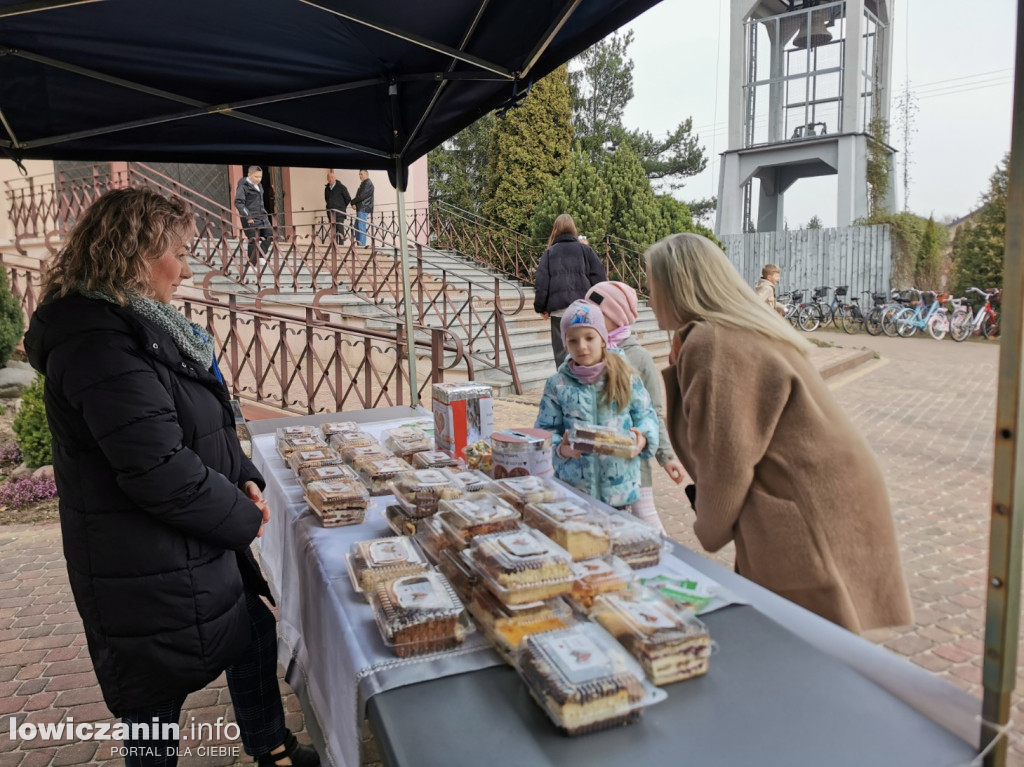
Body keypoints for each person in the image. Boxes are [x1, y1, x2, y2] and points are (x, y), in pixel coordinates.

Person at [23, 188, 320, 767]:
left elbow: (201, 422)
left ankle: (272, 746)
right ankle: (267, 747)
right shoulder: (97, 341)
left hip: (184, 547)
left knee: (254, 632)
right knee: (153, 710)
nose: (185, 269)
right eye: (178, 253)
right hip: (144, 565)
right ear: (135, 252)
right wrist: (244, 516)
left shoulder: (139, 322)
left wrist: (245, 475)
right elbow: (158, 467)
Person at [646, 232, 913, 633]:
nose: (648, 299)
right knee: (822, 647)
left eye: (651, 286)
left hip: (803, 509)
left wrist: (709, 525)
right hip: (828, 498)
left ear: (676, 285)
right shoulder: (737, 328)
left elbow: (726, 460)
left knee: (802, 649)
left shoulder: (715, 341)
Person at [535, 300, 659, 510]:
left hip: (619, 495)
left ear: (602, 339)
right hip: (574, 494)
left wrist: (643, 437)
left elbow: (646, 415)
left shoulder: (625, 376)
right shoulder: (557, 385)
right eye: (573, 340)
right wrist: (562, 449)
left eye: (589, 337)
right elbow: (544, 431)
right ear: (565, 344)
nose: (581, 346)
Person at [585, 281, 687, 533]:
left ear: (615, 316)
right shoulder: (585, 353)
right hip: (591, 466)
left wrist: (666, 456)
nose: (588, 317)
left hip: (633, 466)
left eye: (595, 313)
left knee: (649, 529)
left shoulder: (638, 357)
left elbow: (653, 411)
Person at [533, 214, 607, 367]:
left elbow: (542, 283)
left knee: (562, 355)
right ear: (573, 229)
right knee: (586, 351)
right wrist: (598, 304)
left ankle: (565, 386)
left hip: (559, 311)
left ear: (555, 230)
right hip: (584, 310)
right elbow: (600, 279)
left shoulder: (550, 253)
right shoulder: (585, 250)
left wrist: (541, 307)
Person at [234, 166, 273, 265]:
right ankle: (251, 264)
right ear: (249, 175)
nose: (259, 179)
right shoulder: (243, 185)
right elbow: (239, 202)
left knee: (270, 235)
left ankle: (260, 255)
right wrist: (248, 217)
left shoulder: (259, 185)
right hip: (250, 217)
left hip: (263, 217)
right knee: (253, 240)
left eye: (260, 177)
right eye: (256, 177)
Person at [324, 169, 351, 245]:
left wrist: (341, 206)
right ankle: (334, 246)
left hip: (339, 213)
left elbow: (348, 198)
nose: (330, 179)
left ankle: (341, 246)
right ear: (327, 179)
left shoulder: (341, 187)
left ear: (335, 178)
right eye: (329, 177)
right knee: (333, 231)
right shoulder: (327, 188)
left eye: (332, 177)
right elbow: (327, 199)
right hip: (331, 213)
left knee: (340, 229)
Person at [350, 169, 374, 247]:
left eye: (361, 174)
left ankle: (362, 246)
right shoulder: (364, 183)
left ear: (367, 174)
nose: (360, 176)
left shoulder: (368, 183)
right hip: (361, 208)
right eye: (359, 174)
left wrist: (352, 202)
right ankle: (359, 244)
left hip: (363, 208)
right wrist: (355, 203)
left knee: (361, 227)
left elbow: (361, 196)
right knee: (357, 227)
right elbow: (360, 197)